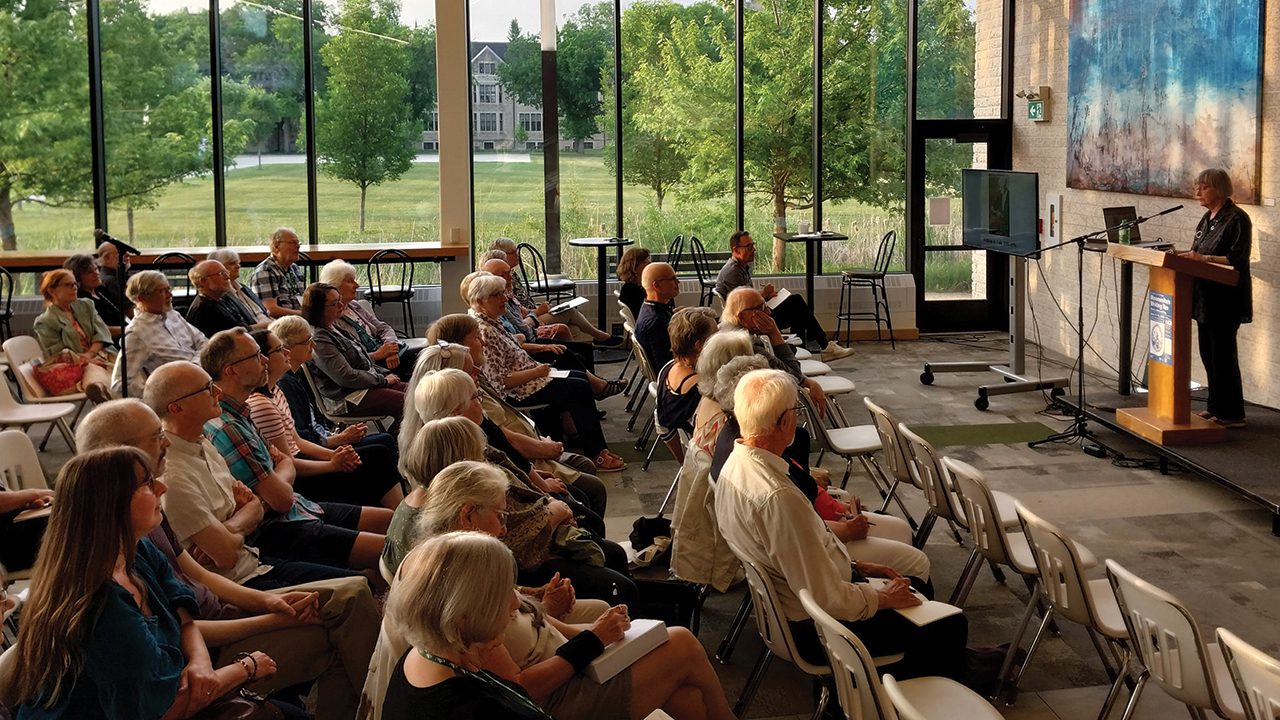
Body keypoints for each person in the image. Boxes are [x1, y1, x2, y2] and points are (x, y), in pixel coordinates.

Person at [76, 396, 379, 720]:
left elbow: (192, 598)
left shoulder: (142, 537)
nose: (166, 441)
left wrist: (268, 604)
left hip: (219, 618)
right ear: (117, 459)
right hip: (214, 639)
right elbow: (163, 689)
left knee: (355, 589)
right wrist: (254, 647)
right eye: (155, 436)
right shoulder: (111, 583)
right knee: (338, 624)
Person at [6, 447, 302, 719]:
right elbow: (162, 710)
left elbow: (184, 619)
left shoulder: (137, 550)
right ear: (112, 504)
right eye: (148, 484)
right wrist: (245, 669)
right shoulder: (103, 605)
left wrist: (200, 663)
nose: (163, 487)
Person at [715, 369, 966, 680]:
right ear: (785, 422)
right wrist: (883, 598)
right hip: (821, 631)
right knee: (949, 624)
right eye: (797, 410)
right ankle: (897, 696)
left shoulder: (734, 466)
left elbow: (793, 557)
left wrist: (859, 566)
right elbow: (826, 599)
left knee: (917, 583)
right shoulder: (778, 498)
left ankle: (926, 674)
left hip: (798, 609)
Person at [200, 327, 393, 573]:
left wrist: (285, 469)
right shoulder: (229, 426)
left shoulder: (242, 411)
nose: (266, 361)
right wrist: (291, 468)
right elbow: (280, 497)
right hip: (280, 526)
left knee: (389, 520)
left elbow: (285, 462)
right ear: (231, 371)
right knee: (389, 548)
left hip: (298, 505)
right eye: (256, 356)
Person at [427, 314, 610, 518]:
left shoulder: (473, 385)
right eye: (477, 338)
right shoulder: (466, 401)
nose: (483, 342)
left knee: (575, 369)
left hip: (526, 458)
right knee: (591, 490)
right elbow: (506, 446)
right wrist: (541, 461)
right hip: (525, 462)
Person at [466, 272, 627, 473]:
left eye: (503, 294)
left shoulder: (491, 320)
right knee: (578, 387)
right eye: (497, 295)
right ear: (480, 302)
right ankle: (597, 454)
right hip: (518, 391)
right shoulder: (484, 330)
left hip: (531, 378)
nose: (504, 299)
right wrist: (538, 372)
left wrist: (537, 363)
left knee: (577, 376)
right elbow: (500, 382)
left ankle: (592, 447)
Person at [247, 329, 404, 510]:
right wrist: (332, 464)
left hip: (304, 461)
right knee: (377, 455)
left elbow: (297, 440)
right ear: (263, 360)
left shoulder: (276, 392)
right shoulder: (264, 403)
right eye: (280, 349)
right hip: (298, 478)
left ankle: (397, 511)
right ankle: (398, 517)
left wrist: (335, 455)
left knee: (377, 452)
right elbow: (290, 461)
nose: (287, 352)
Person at [1176, 168, 1252, 429]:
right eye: (1197, 187)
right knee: (1208, 354)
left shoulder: (1237, 219)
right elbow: (1199, 253)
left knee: (1223, 356)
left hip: (1225, 299)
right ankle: (1215, 406)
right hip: (1203, 297)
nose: (1197, 192)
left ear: (1219, 189)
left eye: (1204, 187)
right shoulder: (1207, 218)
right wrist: (1184, 255)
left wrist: (1204, 259)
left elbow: (1238, 259)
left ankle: (1232, 414)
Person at [269, 315, 399, 459]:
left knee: (384, 441)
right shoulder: (285, 384)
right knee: (382, 447)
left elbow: (316, 420)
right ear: (288, 349)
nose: (313, 345)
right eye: (307, 341)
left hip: (325, 439)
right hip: (318, 451)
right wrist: (340, 440)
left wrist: (339, 436)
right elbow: (302, 439)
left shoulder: (296, 375)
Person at [715, 230, 855, 362]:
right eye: (749, 247)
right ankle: (824, 346)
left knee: (796, 306)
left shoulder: (741, 267)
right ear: (736, 250)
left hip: (754, 315)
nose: (754, 250)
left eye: (753, 245)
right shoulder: (732, 272)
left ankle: (804, 350)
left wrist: (767, 297)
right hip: (751, 321)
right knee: (796, 303)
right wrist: (764, 295)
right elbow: (745, 306)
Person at [382, 417, 487, 575]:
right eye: (481, 454)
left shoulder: (418, 495)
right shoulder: (442, 519)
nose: (485, 462)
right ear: (461, 462)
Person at [303, 283, 406, 433]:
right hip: (346, 397)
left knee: (420, 394)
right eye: (334, 303)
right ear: (319, 309)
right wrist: (382, 381)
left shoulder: (334, 325)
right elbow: (345, 376)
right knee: (408, 404)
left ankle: (401, 444)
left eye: (340, 300)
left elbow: (360, 358)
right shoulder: (319, 337)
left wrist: (383, 373)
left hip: (364, 385)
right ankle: (396, 448)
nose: (341, 305)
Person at [491, 237, 620, 346]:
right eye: (513, 253)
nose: (517, 255)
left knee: (573, 328)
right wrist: (538, 311)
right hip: (530, 318)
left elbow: (520, 307)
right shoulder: (502, 281)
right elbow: (518, 314)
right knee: (570, 312)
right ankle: (599, 338)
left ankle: (578, 356)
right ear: (502, 256)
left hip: (532, 313)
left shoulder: (511, 275)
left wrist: (537, 309)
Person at [722, 286, 829, 417]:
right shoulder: (747, 345)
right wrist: (774, 333)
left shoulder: (725, 330)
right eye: (761, 308)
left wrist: (809, 381)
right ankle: (826, 345)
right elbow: (793, 376)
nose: (768, 312)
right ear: (742, 318)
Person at [111, 270, 208, 398]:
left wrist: (194, 366)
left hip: (205, 377)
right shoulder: (137, 333)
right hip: (185, 395)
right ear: (142, 298)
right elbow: (119, 384)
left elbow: (204, 343)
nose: (170, 295)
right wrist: (158, 398)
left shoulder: (172, 315)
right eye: (162, 291)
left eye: (169, 289)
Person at [319, 260, 420, 382]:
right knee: (423, 362)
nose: (357, 285)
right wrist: (377, 355)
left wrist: (391, 348)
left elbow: (383, 328)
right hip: (372, 366)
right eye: (350, 281)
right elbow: (350, 358)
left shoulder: (354, 306)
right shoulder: (331, 319)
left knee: (429, 354)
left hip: (387, 356)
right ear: (334, 286)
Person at [32, 269, 115, 403]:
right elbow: (59, 355)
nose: (74, 288)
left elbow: (101, 332)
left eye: (75, 284)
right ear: (51, 291)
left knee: (129, 368)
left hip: (101, 353)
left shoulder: (86, 305)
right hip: (77, 364)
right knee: (94, 373)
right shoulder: (45, 321)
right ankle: (106, 401)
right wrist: (86, 360)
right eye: (68, 285)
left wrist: (90, 354)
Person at [655, 308, 718, 464]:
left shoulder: (669, 367)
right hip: (706, 458)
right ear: (700, 345)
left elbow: (661, 424)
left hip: (691, 455)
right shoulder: (700, 388)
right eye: (716, 337)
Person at [186, 260, 266, 337]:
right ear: (203, 281)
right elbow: (233, 338)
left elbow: (243, 327)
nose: (227, 277)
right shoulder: (205, 310)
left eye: (226, 272)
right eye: (220, 274)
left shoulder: (221, 299)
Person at [208, 248, 274, 327]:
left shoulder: (243, 288)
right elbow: (240, 329)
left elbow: (265, 313)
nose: (238, 266)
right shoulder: (221, 296)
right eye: (232, 263)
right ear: (219, 268)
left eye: (238, 263)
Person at [63, 253, 123, 338]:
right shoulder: (81, 300)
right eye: (89, 272)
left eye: (96, 269)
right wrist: (131, 330)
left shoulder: (100, 290)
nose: (96, 274)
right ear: (77, 278)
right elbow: (103, 330)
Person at [251, 227, 307, 317]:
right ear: (276, 247)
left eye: (298, 242)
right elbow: (270, 310)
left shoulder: (294, 268)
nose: (298, 246)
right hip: (282, 324)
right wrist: (305, 315)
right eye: (292, 243)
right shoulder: (265, 271)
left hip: (300, 320)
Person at [634, 262, 680, 370]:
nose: (678, 282)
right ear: (657, 286)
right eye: (672, 279)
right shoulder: (657, 321)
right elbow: (664, 364)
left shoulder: (649, 308)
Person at [615, 247, 650, 320]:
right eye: (645, 262)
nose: (650, 263)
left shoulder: (640, 285)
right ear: (633, 267)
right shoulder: (630, 290)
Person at [96, 240, 131, 309]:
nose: (128, 254)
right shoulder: (111, 281)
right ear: (107, 258)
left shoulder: (109, 276)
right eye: (122, 252)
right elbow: (129, 311)